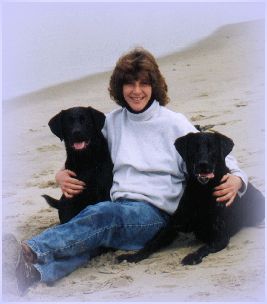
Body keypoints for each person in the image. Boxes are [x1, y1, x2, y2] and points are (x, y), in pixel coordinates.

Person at [15, 47, 247, 295]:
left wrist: (237, 180)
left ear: (154, 86)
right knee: (92, 242)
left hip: (156, 216)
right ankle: (34, 274)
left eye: (144, 83)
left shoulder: (174, 123)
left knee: (101, 215)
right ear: (119, 87)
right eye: (129, 84)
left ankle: (30, 251)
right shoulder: (112, 122)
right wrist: (59, 174)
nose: (137, 91)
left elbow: (221, 156)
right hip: (120, 210)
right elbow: (82, 150)